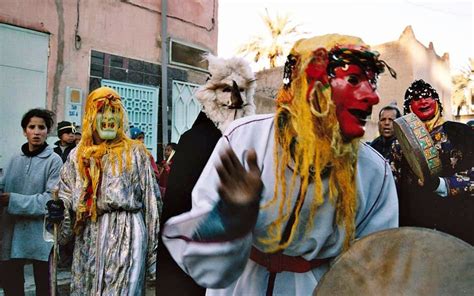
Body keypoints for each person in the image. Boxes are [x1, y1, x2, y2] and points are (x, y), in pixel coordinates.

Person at [161, 34, 398, 295]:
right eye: (353, 79)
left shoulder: (374, 171)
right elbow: (201, 252)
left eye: (372, 82)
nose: (373, 98)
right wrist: (229, 218)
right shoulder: (245, 138)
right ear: (308, 83)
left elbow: (373, 268)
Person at [156, 54, 256, 295]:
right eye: (225, 90)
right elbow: (180, 209)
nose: (233, 99)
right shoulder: (194, 141)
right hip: (193, 261)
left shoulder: (251, 142)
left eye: (239, 91)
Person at [46, 87, 161, 294]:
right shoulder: (77, 156)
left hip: (127, 235)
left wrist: (153, 255)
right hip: (89, 235)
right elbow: (65, 194)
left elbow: (152, 205)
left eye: (114, 112)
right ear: (91, 115)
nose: (108, 118)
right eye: (101, 111)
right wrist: (58, 210)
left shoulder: (136, 153)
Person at [391, 79, 474, 244]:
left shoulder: (461, 133)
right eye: (416, 98)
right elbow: (394, 183)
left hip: (458, 223)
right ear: (408, 106)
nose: (423, 101)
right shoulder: (398, 145)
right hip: (416, 226)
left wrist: (443, 185)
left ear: (437, 101)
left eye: (428, 96)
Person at [0, 108, 62, 296]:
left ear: (47, 131)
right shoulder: (13, 159)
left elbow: (50, 199)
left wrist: (12, 200)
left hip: (41, 234)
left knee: (44, 286)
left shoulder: (54, 161)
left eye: (41, 127)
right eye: (31, 127)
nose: (36, 132)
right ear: (24, 130)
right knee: (12, 284)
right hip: (12, 230)